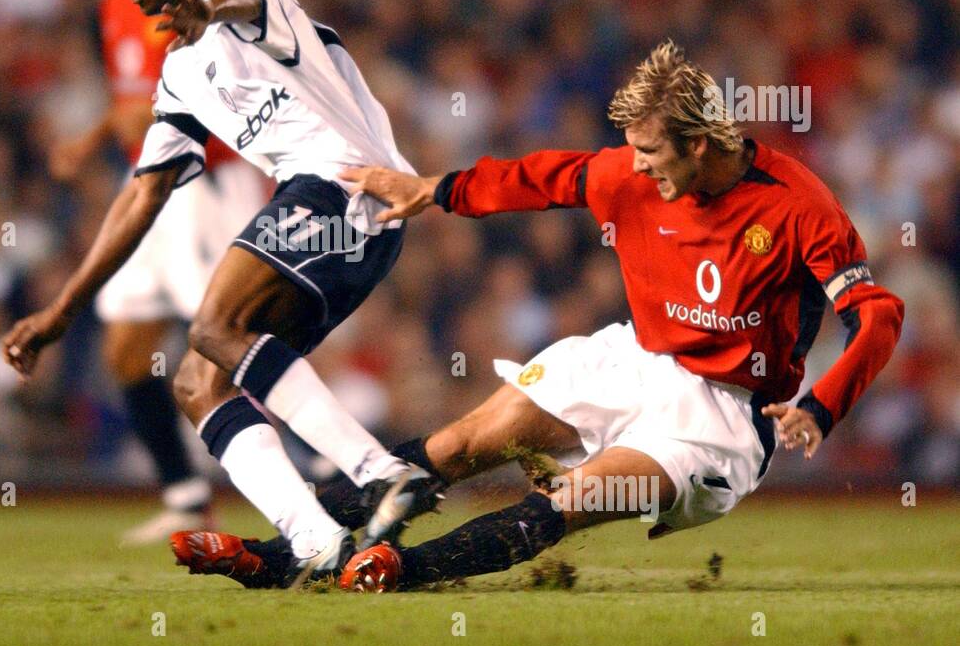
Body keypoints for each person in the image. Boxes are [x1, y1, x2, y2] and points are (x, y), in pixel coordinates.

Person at [170, 40, 906, 592]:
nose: (638, 166)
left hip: (722, 417)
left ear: (702, 144)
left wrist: (821, 406)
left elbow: (877, 314)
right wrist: (436, 189)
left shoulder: (798, 206)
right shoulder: (632, 169)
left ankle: (400, 568)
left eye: (652, 152)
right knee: (463, 442)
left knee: (580, 497)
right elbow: (547, 178)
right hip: (636, 359)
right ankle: (281, 555)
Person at [2, 0, 441, 583]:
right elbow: (142, 196)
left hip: (349, 190)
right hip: (349, 226)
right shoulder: (176, 78)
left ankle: (380, 473)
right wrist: (61, 311)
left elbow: (236, 5)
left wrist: (207, 10)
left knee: (212, 324)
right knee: (198, 381)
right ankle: (316, 541)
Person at [44, 0, 269, 545]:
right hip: (149, 181)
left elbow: (162, 101)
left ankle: (325, 472)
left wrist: (91, 136)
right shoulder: (115, 4)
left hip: (205, 183)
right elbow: (132, 102)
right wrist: (93, 140)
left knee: (230, 340)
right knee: (127, 345)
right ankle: (186, 495)